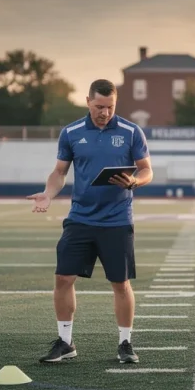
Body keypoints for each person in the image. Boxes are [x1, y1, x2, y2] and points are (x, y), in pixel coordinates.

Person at [28, 79, 152, 364]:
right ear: (88, 101)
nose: (104, 112)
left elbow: (147, 170)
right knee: (63, 278)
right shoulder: (70, 132)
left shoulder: (131, 131)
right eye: (99, 107)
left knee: (120, 283)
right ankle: (66, 342)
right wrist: (48, 194)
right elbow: (60, 172)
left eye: (110, 107)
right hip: (80, 218)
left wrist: (135, 181)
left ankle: (125, 343)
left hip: (117, 220)